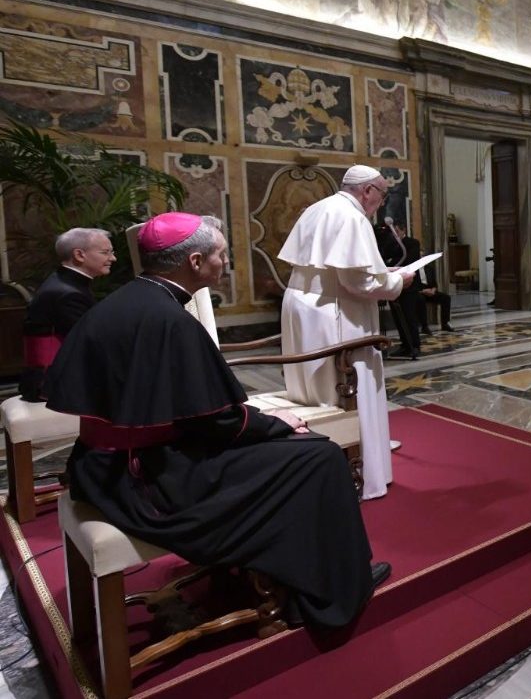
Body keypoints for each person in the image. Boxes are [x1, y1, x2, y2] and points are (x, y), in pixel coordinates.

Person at [48, 213, 388, 629]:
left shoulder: (123, 301)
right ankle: (333, 589)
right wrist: (278, 422)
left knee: (295, 451)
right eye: (221, 255)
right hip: (148, 480)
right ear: (194, 262)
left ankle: (282, 573)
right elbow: (217, 422)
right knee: (319, 455)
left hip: (102, 465)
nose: (226, 263)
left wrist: (260, 422)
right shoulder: (171, 321)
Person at [278, 166, 412, 499]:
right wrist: (397, 282)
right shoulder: (352, 217)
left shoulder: (319, 208)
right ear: (367, 191)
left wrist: (382, 271)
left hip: (304, 307)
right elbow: (357, 283)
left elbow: (344, 267)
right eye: (382, 194)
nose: (381, 203)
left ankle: (319, 462)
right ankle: (356, 464)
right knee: (346, 386)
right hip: (333, 311)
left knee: (313, 386)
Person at [20, 228, 115, 401]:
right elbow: (94, 344)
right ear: (79, 255)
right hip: (50, 384)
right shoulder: (67, 294)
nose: (113, 258)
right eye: (105, 252)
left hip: (54, 377)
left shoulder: (65, 283)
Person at [389, 221, 427, 359]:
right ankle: (405, 345)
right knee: (398, 318)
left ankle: (414, 345)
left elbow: (408, 261)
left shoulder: (412, 243)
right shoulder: (391, 244)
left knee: (409, 317)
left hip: (409, 287)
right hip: (394, 285)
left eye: (397, 231)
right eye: (393, 232)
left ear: (403, 230)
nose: (395, 234)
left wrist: (393, 261)